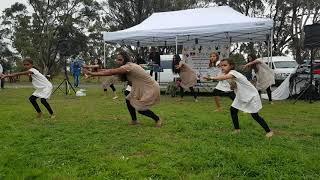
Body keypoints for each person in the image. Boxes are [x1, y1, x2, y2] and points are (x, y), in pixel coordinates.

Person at [84, 51, 162, 127]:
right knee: (128, 99)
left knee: (140, 108)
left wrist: (92, 73)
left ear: (125, 60)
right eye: (117, 59)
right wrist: (92, 73)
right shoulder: (126, 66)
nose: (118, 61)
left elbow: (111, 72)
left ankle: (157, 119)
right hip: (139, 87)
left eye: (120, 60)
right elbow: (109, 70)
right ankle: (134, 120)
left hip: (149, 87)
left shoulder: (128, 66)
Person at [205, 58, 273, 137]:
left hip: (251, 95)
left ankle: (269, 131)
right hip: (241, 96)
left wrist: (211, 78)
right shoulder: (227, 75)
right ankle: (237, 130)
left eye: (225, 65)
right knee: (233, 110)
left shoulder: (233, 72)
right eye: (221, 66)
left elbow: (223, 78)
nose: (222, 67)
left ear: (231, 66)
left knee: (255, 115)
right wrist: (233, 86)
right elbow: (233, 85)